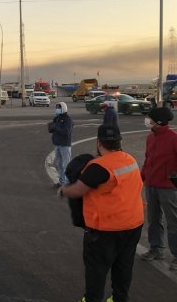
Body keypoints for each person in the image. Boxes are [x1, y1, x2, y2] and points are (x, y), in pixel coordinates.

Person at [59, 125, 144, 302]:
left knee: (96, 271)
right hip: (133, 224)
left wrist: (63, 191)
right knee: (123, 267)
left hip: (106, 230)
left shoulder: (98, 167)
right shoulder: (130, 159)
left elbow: (77, 191)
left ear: (99, 143)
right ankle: (119, 298)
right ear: (120, 142)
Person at [140, 107, 177, 271]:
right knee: (153, 219)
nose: (148, 121)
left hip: (168, 188)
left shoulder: (173, 139)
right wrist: (142, 177)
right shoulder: (150, 138)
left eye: (151, 119)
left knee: (173, 222)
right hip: (151, 185)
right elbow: (148, 160)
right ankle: (156, 248)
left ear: (160, 122)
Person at [47, 101, 73, 186]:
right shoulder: (57, 118)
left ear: (63, 108)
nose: (57, 109)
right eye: (57, 108)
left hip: (64, 145)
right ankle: (62, 181)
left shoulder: (67, 119)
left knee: (66, 165)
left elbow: (67, 132)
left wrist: (56, 127)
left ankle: (67, 182)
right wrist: (51, 128)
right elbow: (53, 129)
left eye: (59, 108)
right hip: (57, 144)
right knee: (59, 164)